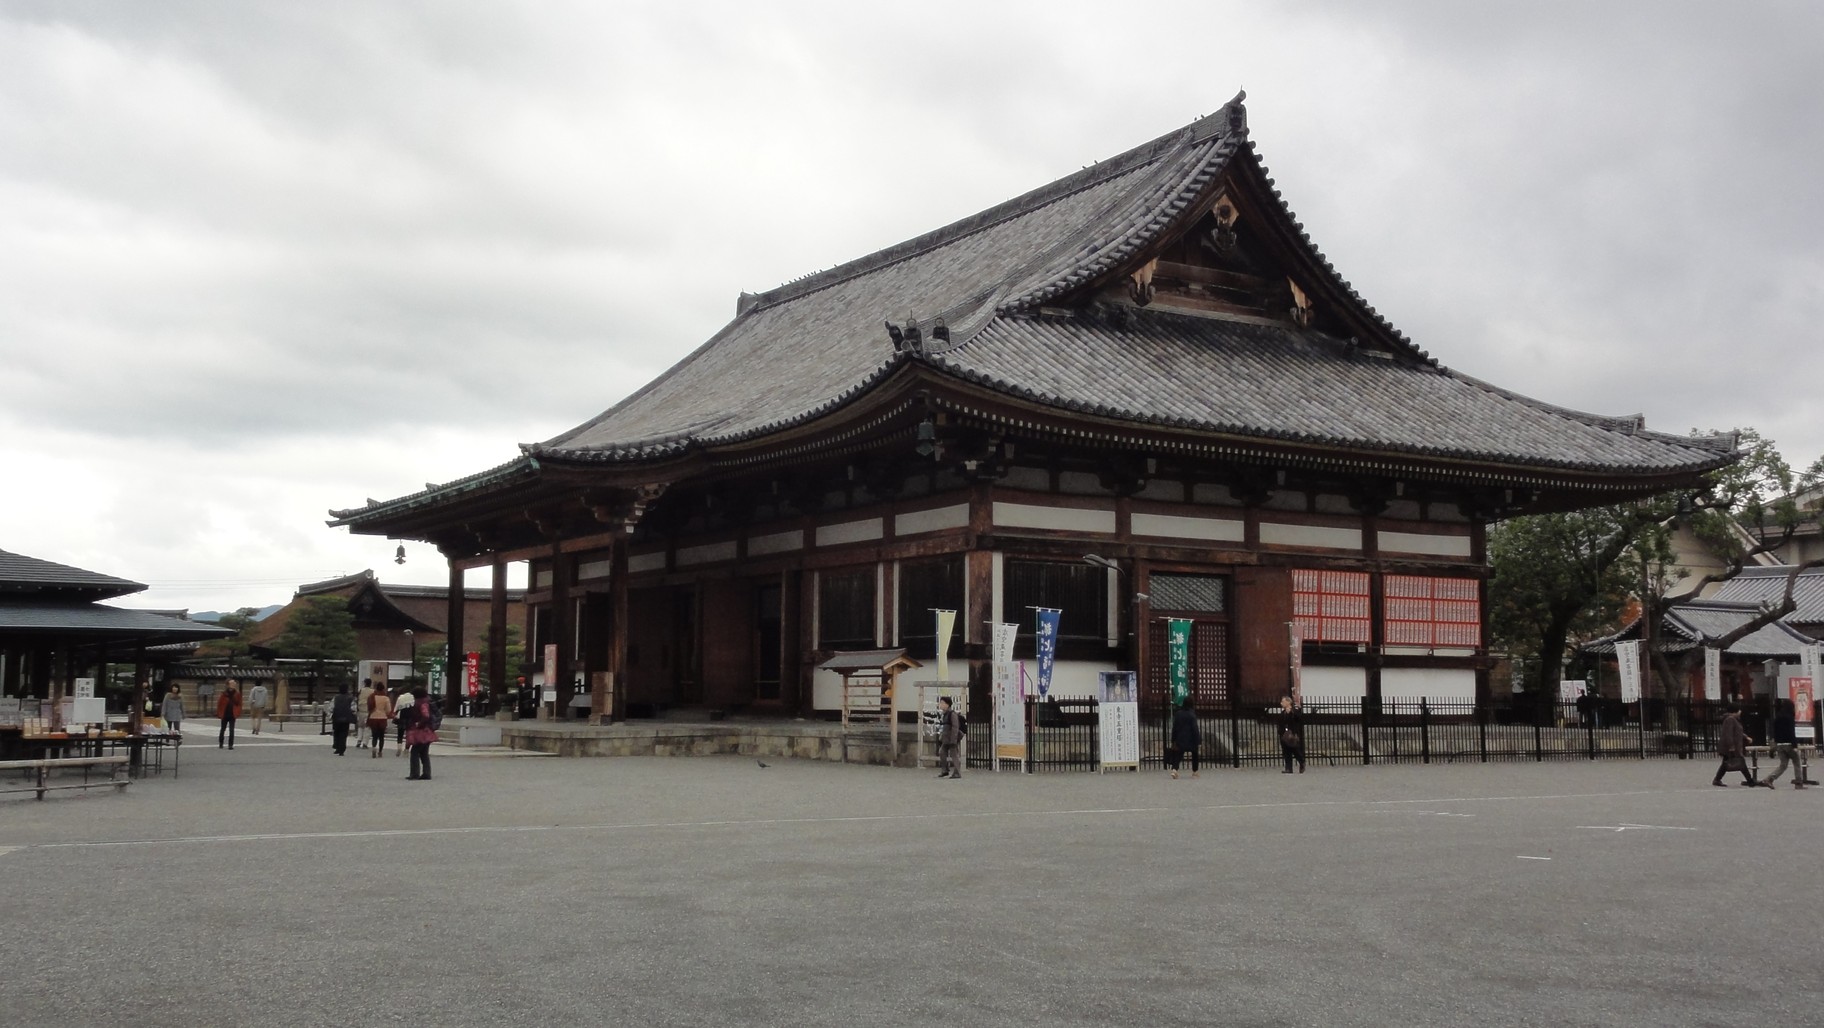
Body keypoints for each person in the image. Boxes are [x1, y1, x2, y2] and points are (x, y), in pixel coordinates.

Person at [1713, 705, 1762, 787]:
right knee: (1741, 762)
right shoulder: (1730, 720)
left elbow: (1737, 731)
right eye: (1739, 710)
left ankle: (1717, 779)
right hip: (1731, 747)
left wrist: (1746, 737)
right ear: (1735, 711)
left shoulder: (1733, 720)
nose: (1740, 712)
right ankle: (1750, 781)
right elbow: (1729, 734)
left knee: (1726, 764)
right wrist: (1731, 746)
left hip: (1732, 747)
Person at [1762, 699, 1802, 789]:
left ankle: (1769, 778)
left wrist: (1776, 743)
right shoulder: (1789, 717)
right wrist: (1795, 745)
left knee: (1783, 765)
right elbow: (1791, 732)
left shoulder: (1778, 717)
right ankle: (1799, 782)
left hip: (1780, 744)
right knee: (1796, 762)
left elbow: (1774, 731)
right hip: (1789, 744)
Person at [404, 686, 436, 781]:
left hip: (421, 731)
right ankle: (426, 773)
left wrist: (419, 723)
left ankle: (415, 773)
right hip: (427, 731)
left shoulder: (420, 703)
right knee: (424, 753)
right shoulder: (426, 702)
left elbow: (425, 715)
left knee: (415, 752)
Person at [1170, 699, 1201, 779]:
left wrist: (1173, 739)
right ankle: (1195, 771)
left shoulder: (1178, 714)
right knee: (1195, 754)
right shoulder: (1192, 715)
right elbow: (1195, 729)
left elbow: (1175, 728)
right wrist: (1198, 740)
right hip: (1191, 739)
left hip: (1180, 738)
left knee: (1178, 755)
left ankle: (1174, 770)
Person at [936, 696, 964, 780]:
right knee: (942, 752)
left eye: (942, 703)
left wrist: (954, 739)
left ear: (947, 704)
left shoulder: (952, 714)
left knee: (954, 755)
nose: (941, 705)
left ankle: (957, 772)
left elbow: (955, 727)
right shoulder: (945, 714)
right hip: (946, 738)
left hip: (951, 738)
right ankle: (945, 770)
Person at [1278, 695, 1306, 774]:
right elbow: (1280, 723)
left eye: (1283, 701)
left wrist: (1291, 712)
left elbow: (1298, 718)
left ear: (1288, 702)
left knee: (1295, 750)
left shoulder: (1294, 710)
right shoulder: (1283, 712)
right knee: (1286, 752)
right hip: (1284, 735)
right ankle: (1288, 768)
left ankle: (1302, 762)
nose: (1281, 703)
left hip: (1292, 734)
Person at [367, 685, 394, 758]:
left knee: (374, 735)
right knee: (381, 736)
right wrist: (386, 713)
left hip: (373, 717)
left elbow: (368, 707)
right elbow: (388, 710)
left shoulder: (372, 697)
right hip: (382, 718)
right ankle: (380, 751)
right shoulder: (386, 698)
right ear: (383, 689)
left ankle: (373, 748)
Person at [329, 685, 356, 756]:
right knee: (343, 734)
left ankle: (337, 746)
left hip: (336, 717)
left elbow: (331, 707)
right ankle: (342, 749)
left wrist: (330, 714)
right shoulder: (350, 698)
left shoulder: (336, 698)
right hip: (346, 718)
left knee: (336, 732)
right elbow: (353, 708)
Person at [216, 679, 241, 749]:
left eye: (234, 683)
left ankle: (230, 744)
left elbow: (239, 703)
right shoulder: (224, 694)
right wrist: (219, 713)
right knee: (223, 729)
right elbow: (220, 704)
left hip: (232, 714)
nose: (234, 685)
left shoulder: (237, 693)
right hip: (224, 713)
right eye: (232, 683)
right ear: (228, 685)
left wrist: (238, 711)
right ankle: (221, 743)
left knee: (232, 730)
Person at [393, 686, 416, 755]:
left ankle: (399, 747)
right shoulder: (413, 697)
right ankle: (406, 749)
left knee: (400, 734)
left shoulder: (400, 697)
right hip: (411, 717)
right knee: (409, 734)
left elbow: (396, 709)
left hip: (401, 717)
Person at [355, 679, 375, 748]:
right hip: (368, 711)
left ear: (365, 683)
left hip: (360, 710)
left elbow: (357, 699)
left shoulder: (361, 690)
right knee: (368, 727)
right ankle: (365, 743)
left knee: (360, 726)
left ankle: (359, 740)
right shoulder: (373, 691)